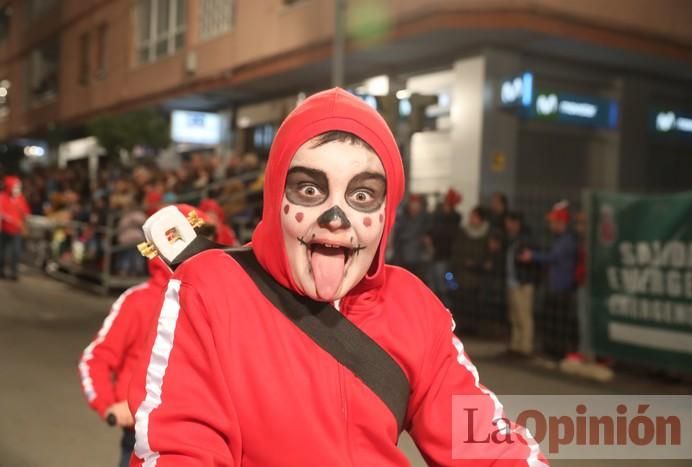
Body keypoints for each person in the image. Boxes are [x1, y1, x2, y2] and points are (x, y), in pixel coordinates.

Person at [128, 88, 546, 466]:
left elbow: (488, 446)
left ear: (387, 214)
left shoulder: (412, 307)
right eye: (310, 190)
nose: (334, 218)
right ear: (276, 196)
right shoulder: (212, 289)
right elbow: (180, 447)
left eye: (362, 195)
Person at [78, 205, 210, 467]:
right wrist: (109, 404)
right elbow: (95, 359)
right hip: (145, 437)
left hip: (206, 441)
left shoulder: (220, 298)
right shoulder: (138, 301)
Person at [520, 201, 578, 359]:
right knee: (552, 321)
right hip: (555, 286)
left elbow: (554, 257)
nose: (551, 225)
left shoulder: (567, 241)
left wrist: (532, 256)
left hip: (562, 288)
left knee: (559, 323)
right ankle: (552, 350)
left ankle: (558, 352)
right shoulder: (560, 239)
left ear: (561, 222)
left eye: (553, 222)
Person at [451, 206, 490, 333]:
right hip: (462, 274)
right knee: (461, 301)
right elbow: (456, 251)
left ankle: (474, 328)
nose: (471, 219)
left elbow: (488, 255)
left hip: (478, 276)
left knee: (474, 303)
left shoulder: (487, 234)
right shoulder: (463, 232)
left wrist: (477, 263)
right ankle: (461, 326)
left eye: (474, 216)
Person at [504, 211, 539, 357]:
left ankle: (525, 346)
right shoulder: (514, 239)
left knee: (524, 315)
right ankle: (516, 344)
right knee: (515, 315)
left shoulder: (525, 239)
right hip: (513, 282)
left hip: (522, 283)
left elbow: (527, 260)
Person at [426, 188, 462, 305]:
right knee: (434, 280)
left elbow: (446, 234)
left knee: (445, 279)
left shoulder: (454, 218)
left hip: (446, 254)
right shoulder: (439, 216)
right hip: (436, 253)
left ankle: (449, 302)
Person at [392, 193, 431, 281]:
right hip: (403, 258)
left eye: (417, 204)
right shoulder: (402, 218)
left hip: (419, 259)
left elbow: (428, 237)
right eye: (413, 204)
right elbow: (397, 239)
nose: (414, 207)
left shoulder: (425, 219)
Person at [0, 175, 30, 280]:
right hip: (4, 230)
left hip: (16, 231)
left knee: (16, 252)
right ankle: (1, 270)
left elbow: (25, 212)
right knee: (2, 252)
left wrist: (23, 223)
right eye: (15, 186)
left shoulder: (20, 198)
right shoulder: (2, 197)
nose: (17, 189)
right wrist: (13, 220)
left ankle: (14, 272)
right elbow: (2, 213)